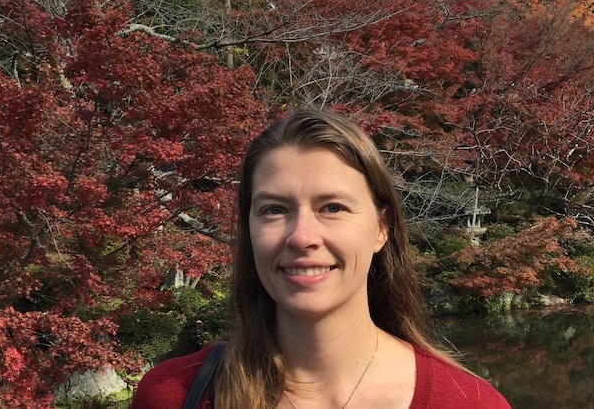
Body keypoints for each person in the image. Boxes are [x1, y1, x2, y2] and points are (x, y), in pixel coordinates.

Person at [131, 110, 511, 409]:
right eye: (274, 209)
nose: (302, 237)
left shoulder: (469, 402)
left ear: (382, 228)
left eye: (332, 207)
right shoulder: (173, 395)